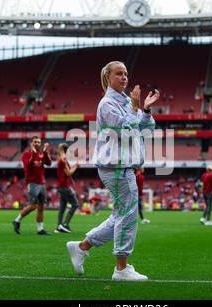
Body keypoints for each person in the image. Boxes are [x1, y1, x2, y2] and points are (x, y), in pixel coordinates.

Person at [66, 60, 159, 281]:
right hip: (117, 167)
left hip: (121, 166)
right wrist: (136, 109)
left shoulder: (126, 101)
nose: (124, 77)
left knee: (120, 215)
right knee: (127, 215)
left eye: (126, 73)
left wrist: (144, 109)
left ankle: (81, 247)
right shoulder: (107, 104)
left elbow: (146, 128)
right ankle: (121, 268)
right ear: (108, 77)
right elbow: (126, 128)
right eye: (119, 73)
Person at [12, 136, 52, 235]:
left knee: (41, 207)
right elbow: (29, 165)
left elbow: (49, 163)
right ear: (31, 143)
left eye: (39, 142)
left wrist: (46, 152)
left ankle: (40, 229)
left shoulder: (41, 154)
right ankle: (17, 220)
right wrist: (34, 153)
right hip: (32, 182)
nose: (37, 144)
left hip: (41, 183)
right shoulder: (26, 154)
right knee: (33, 206)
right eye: (35, 142)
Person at [55, 143, 80, 233]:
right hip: (64, 186)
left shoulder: (61, 160)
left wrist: (74, 166)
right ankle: (65, 224)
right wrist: (76, 166)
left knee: (62, 207)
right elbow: (68, 173)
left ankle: (59, 226)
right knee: (75, 205)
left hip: (60, 186)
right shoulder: (63, 160)